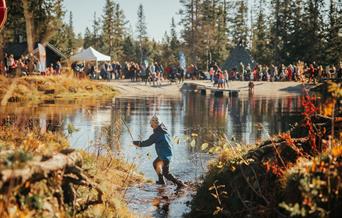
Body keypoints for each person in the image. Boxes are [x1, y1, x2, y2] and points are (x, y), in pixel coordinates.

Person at [133, 116, 186, 189]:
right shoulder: (164, 131)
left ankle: (179, 184)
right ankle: (161, 181)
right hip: (166, 154)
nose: (151, 126)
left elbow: (147, 143)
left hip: (164, 157)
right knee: (155, 163)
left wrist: (137, 143)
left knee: (166, 174)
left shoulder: (157, 135)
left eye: (151, 124)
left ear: (155, 124)